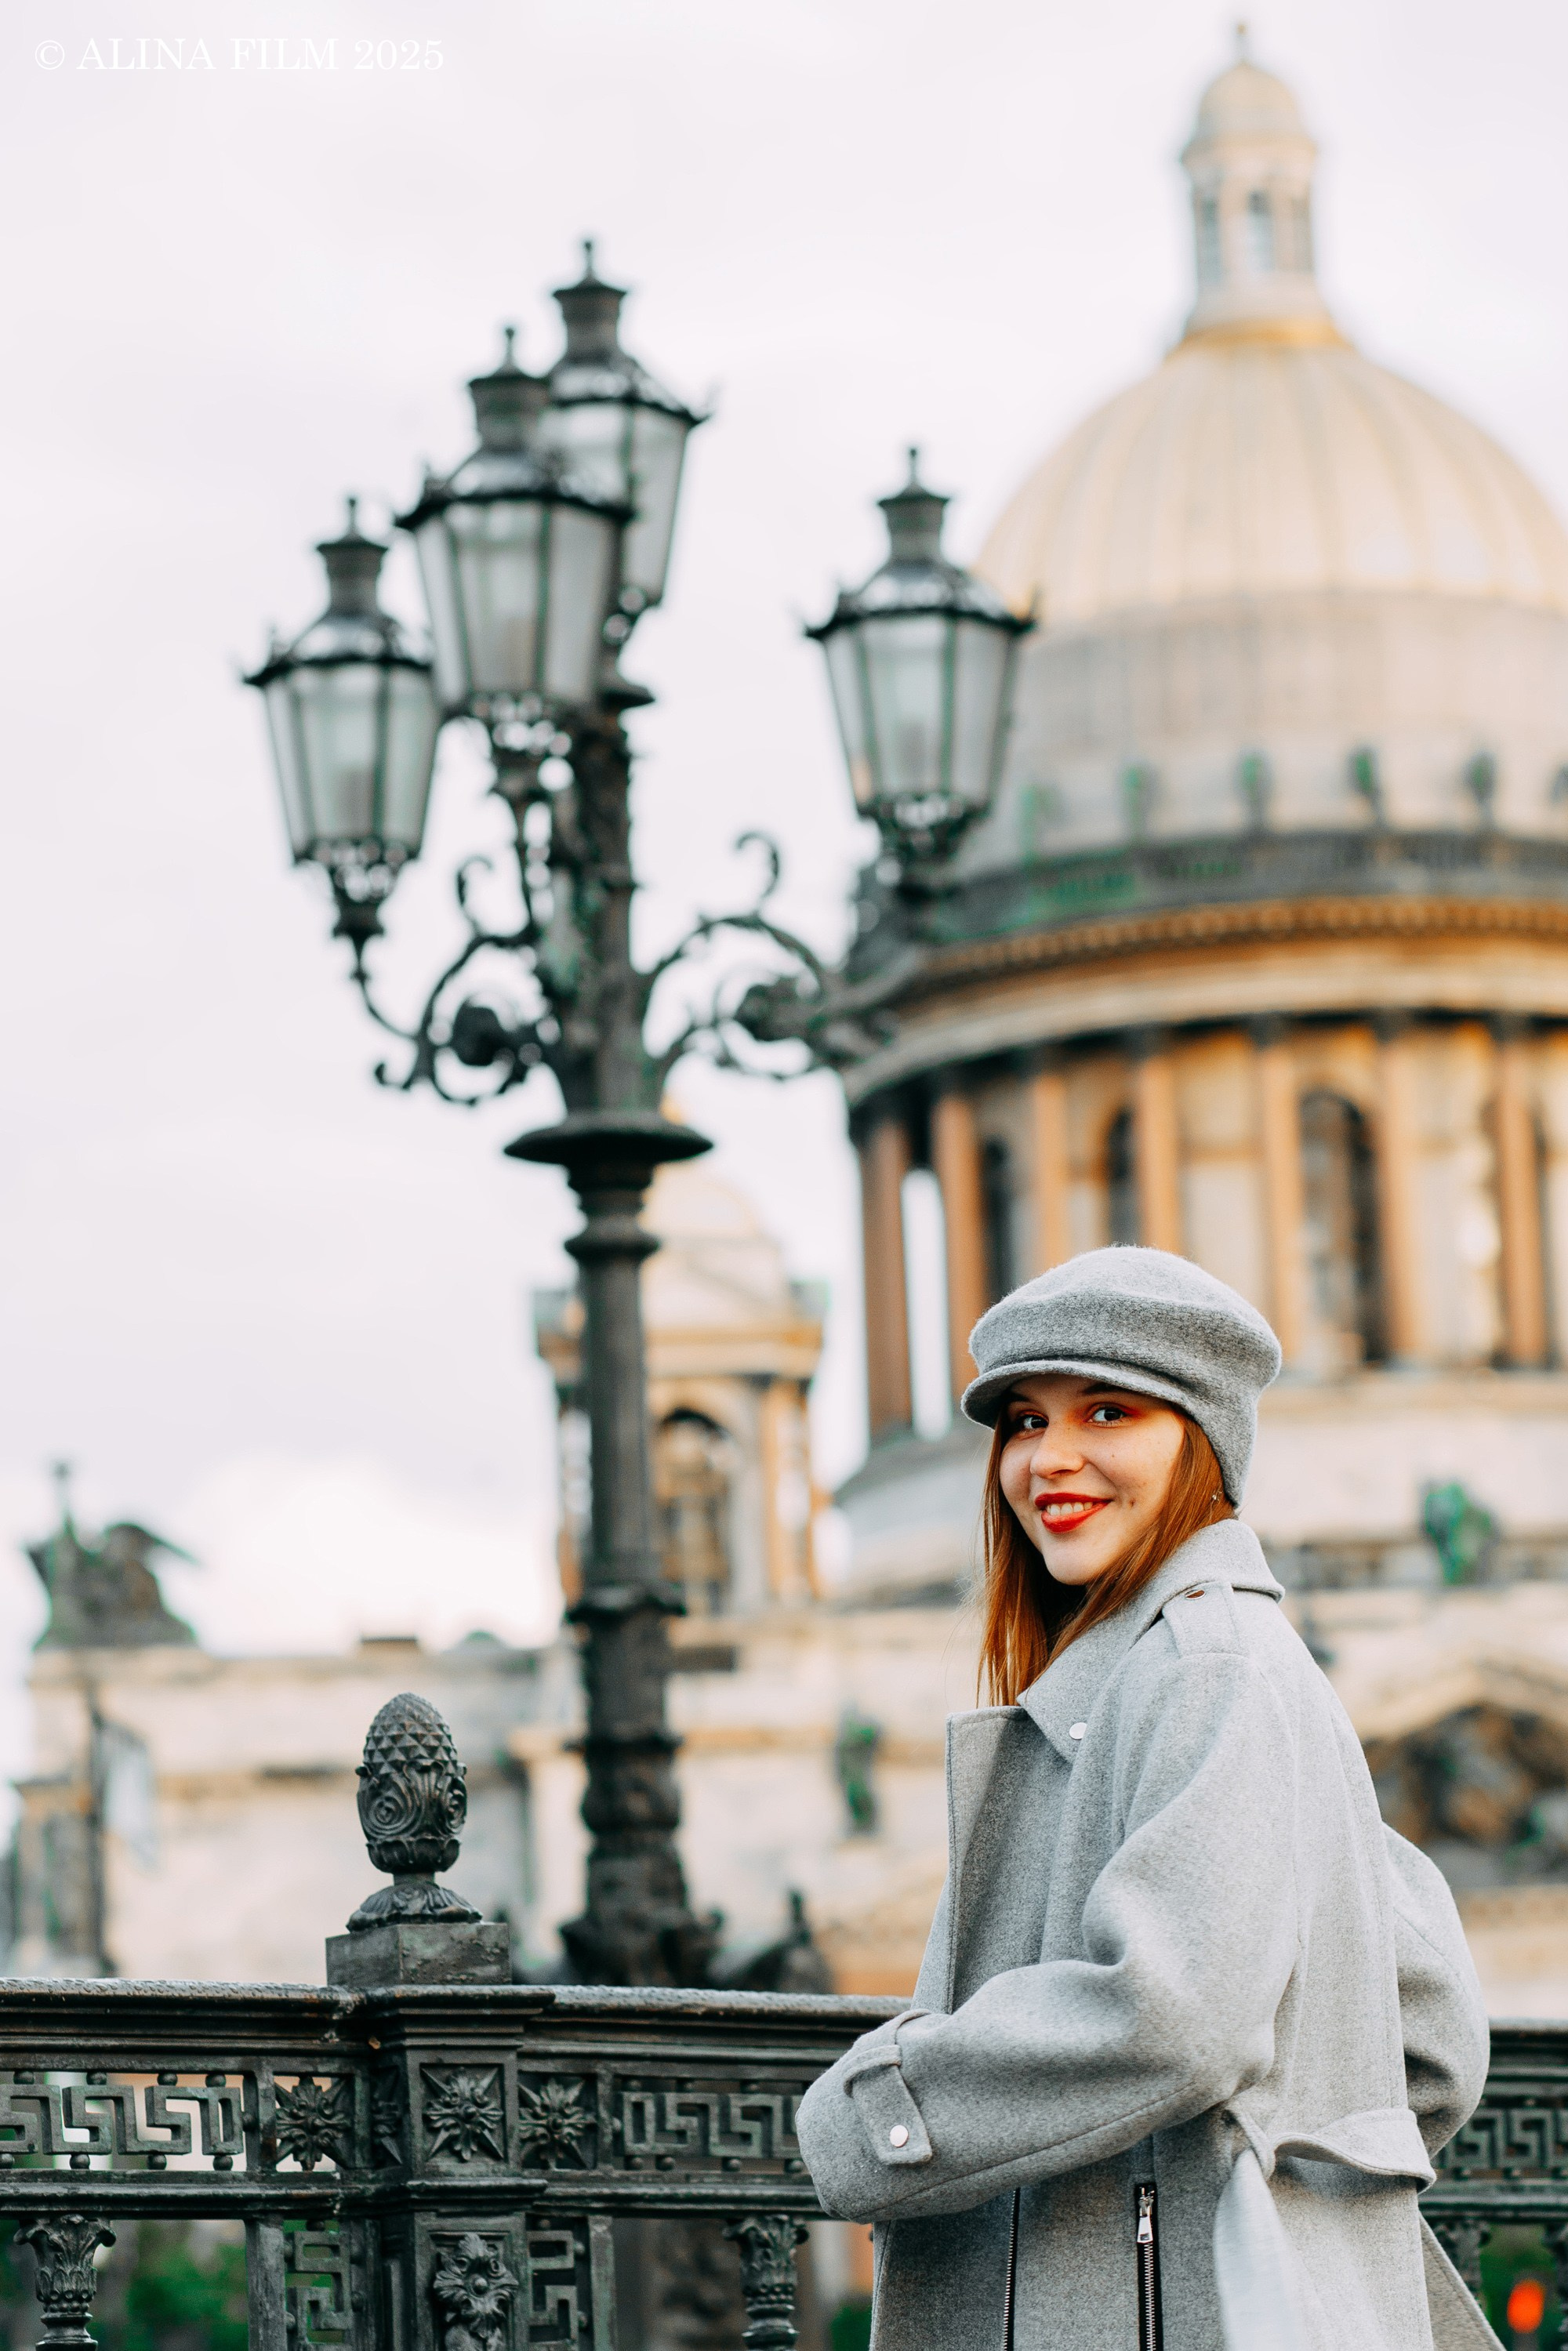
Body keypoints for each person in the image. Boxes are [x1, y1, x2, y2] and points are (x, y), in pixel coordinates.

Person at [796, 1247, 1497, 2351]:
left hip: (1153, 2305)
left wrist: (882, 2113)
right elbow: (1433, 2037)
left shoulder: (1200, 1671)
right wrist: (1300, 2162)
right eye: (1025, 1421)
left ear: (1203, 1442)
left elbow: (1175, 2015)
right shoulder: (1229, 1665)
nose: (1051, 1460)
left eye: (1108, 1412)